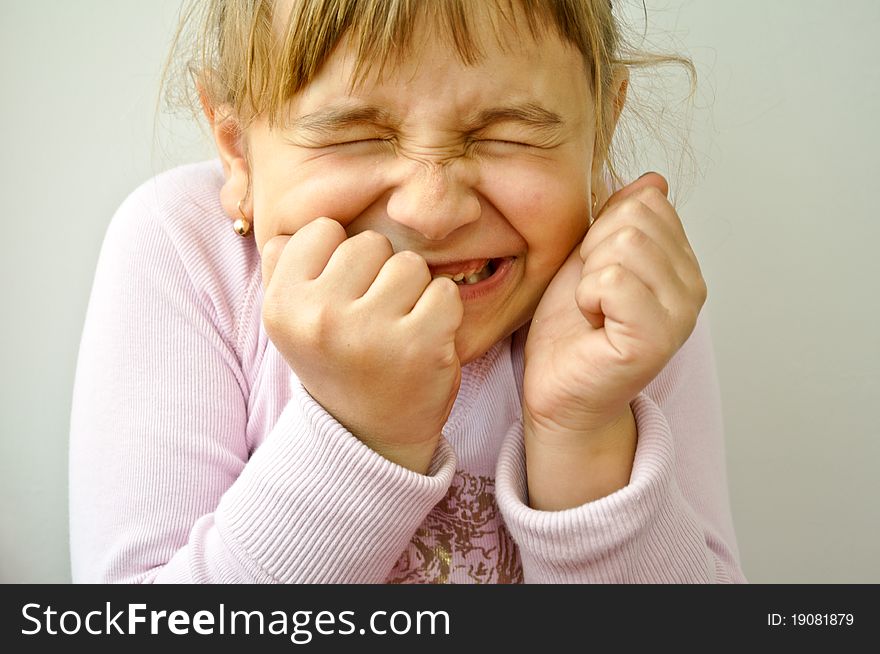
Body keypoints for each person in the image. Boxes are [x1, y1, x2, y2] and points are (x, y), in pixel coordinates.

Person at [69, 0, 745, 583]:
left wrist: (585, 435)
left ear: (598, 137)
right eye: (355, 135)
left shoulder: (617, 304)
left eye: (508, 132)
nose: (432, 208)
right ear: (238, 151)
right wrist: (364, 433)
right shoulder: (188, 255)